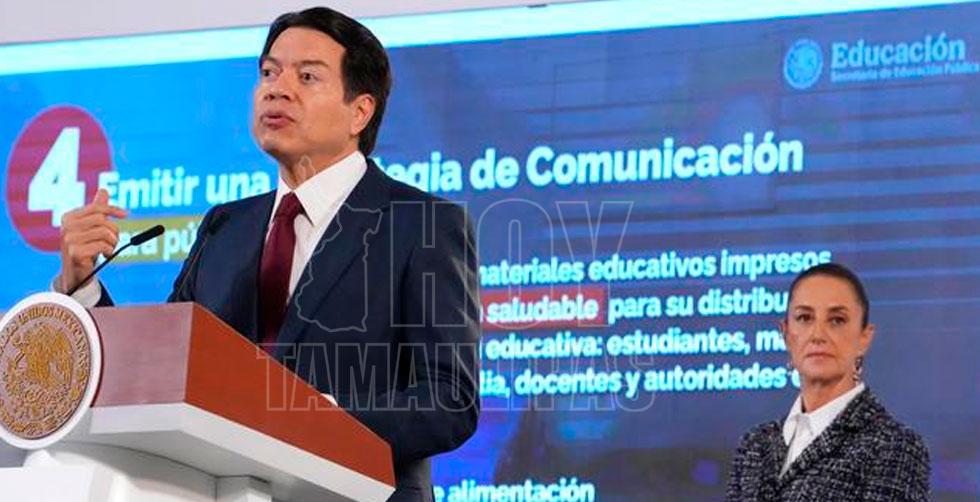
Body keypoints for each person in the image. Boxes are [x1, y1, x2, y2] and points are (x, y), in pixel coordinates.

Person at [55, 7, 480, 501]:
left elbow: (449, 402)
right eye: (269, 73)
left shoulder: (421, 224)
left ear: (359, 112)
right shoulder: (225, 227)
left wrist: (312, 422)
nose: (278, 89)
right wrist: (82, 286)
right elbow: (163, 372)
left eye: (307, 77)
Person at [727, 263, 929, 501]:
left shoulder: (894, 445)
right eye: (804, 318)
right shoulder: (754, 445)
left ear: (864, 338)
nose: (818, 335)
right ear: (786, 334)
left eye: (837, 320)